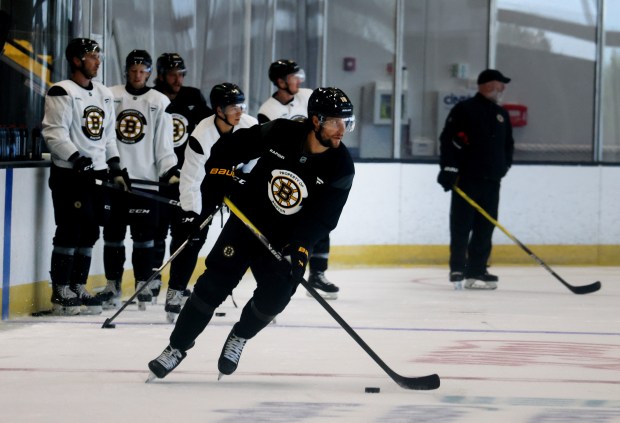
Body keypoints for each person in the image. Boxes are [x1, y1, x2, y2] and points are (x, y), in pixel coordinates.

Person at [147, 87, 355, 381]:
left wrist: (299, 250)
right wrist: (221, 177)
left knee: (277, 297)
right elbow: (229, 149)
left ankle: (240, 336)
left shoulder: (341, 167)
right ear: (316, 120)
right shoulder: (281, 131)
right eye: (335, 121)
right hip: (247, 222)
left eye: (347, 122)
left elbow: (322, 220)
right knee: (210, 288)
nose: (342, 130)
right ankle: (176, 347)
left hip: (284, 240)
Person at [41, 38, 127, 315]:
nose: (97, 61)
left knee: (90, 231)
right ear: (77, 60)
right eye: (92, 56)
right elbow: (54, 132)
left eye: (98, 56)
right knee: (70, 229)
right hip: (71, 175)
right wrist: (76, 158)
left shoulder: (103, 94)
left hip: (97, 173)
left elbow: (108, 135)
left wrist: (115, 167)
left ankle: (78, 285)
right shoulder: (61, 91)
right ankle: (60, 290)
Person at [164, 82, 258, 323]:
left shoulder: (249, 126)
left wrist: (243, 181)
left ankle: (262, 295)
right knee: (190, 238)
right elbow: (191, 179)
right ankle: (175, 291)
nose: (239, 112)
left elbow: (255, 162)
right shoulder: (201, 135)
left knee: (250, 236)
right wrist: (191, 214)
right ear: (218, 110)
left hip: (235, 183)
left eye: (242, 106)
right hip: (205, 187)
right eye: (233, 108)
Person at [100, 50, 178, 310]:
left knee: (144, 237)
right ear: (126, 70)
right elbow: (105, 136)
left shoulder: (159, 100)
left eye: (142, 71)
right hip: (116, 182)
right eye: (133, 70)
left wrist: (170, 172)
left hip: (145, 182)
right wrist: (112, 168)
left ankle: (143, 284)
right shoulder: (110, 96)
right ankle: (112, 285)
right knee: (113, 236)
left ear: (149, 73)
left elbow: (163, 145)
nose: (137, 75)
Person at [257, 59, 339, 300]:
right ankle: (276, 276)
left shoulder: (307, 96)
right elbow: (268, 147)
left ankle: (318, 274)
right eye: (294, 77)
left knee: (319, 221)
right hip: (287, 176)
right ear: (281, 82)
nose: (299, 80)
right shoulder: (267, 110)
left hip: (314, 170)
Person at [437, 68, 514, 290]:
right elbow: (449, 140)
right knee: (462, 225)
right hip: (467, 180)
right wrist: (449, 168)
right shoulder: (464, 110)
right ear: (489, 85)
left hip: (492, 181)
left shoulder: (501, 114)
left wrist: (505, 165)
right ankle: (458, 268)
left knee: (485, 226)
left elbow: (508, 144)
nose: (503, 89)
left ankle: (477, 269)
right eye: (501, 84)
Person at [151, 53, 214, 301]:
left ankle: (176, 283)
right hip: (159, 177)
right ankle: (152, 280)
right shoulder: (153, 97)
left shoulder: (193, 97)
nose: (178, 79)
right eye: (172, 74)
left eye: (181, 74)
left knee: (182, 233)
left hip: (187, 178)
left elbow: (209, 130)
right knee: (156, 231)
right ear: (161, 75)